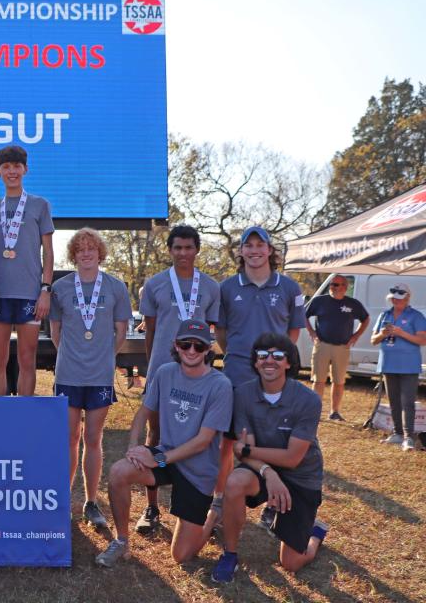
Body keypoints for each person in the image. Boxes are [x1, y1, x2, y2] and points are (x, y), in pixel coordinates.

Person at [96, 320, 232, 567]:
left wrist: (157, 458)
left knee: (181, 556)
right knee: (118, 472)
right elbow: (144, 412)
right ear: (176, 346)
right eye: (185, 344)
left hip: (198, 470)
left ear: (208, 349)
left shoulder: (220, 385)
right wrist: (133, 446)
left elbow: (203, 441)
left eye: (198, 346)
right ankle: (121, 541)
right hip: (166, 456)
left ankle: (213, 515)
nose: (191, 351)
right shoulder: (165, 372)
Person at [211, 333, 328, 583]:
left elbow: (292, 457)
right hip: (264, 471)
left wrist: (249, 453)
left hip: (301, 476)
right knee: (234, 482)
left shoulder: (308, 399)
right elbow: (243, 449)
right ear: (255, 363)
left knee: (291, 563)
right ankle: (229, 555)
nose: (269, 361)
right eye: (263, 356)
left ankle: (316, 534)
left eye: (278, 355)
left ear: (288, 362)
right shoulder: (243, 394)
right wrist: (268, 472)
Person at [214, 226, 306, 525]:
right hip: (237, 372)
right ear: (240, 251)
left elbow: (292, 332)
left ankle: (274, 500)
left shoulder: (290, 288)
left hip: (275, 373)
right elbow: (222, 332)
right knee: (228, 441)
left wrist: (276, 360)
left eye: (260, 245)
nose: (254, 250)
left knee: (274, 438)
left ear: (270, 250)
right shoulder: (227, 287)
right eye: (248, 245)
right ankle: (220, 500)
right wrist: (241, 357)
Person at [136, 224, 220, 533]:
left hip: (199, 377)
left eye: (189, 247)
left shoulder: (211, 287)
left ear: (197, 250)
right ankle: (151, 507)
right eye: (177, 248)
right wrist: (152, 368)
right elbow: (152, 332)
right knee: (155, 436)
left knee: (201, 438)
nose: (183, 253)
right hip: (163, 372)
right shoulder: (156, 284)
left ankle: (202, 504)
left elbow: (211, 334)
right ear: (170, 250)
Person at [49, 228, 132, 528]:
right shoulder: (60, 288)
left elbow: (121, 330)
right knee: (68, 439)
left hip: (99, 376)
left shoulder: (115, 287)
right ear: (73, 255)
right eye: (80, 249)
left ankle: (91, 501)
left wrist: (105, 357)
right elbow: (55, 332)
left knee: (93, 439)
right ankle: (62, 498)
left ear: (100, 253)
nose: (86, 253)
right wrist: (72, 355)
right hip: (69, 374)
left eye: (91, 248)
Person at [0, 145, 55, 397]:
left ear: (25, 169)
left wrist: (45, 289)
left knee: (27, 359)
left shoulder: (40, 205)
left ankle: (23, 415)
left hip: (29, 293)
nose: (12, 171)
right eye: (6, 167)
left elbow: (48, 252)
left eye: (16, 166)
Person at [370, 282, 426, 451]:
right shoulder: (384, 315)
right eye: (394, 298)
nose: (396, 300)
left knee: (407, 402)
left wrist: (402, 333)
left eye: (400, 298)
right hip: (388, 363)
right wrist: (383, 333)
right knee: (393, 401)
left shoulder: (416, 316)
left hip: (409, 365)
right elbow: (373, 340)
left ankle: (409, 437)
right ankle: (397, 433)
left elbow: (423, 340)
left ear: (408, 298)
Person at [305, 275, 369, 421]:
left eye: (338, 285)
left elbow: (365, 319)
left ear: (345, 287)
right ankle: (315, 411)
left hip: (342, 347)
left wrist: (355, 336)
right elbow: (304, 315)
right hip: (322, 345)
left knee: (339, 381)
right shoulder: (319, 301)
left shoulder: (352, 303)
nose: (334, 287)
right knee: (318, 380)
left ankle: (335, 412)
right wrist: (312, 333)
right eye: (332, 284)